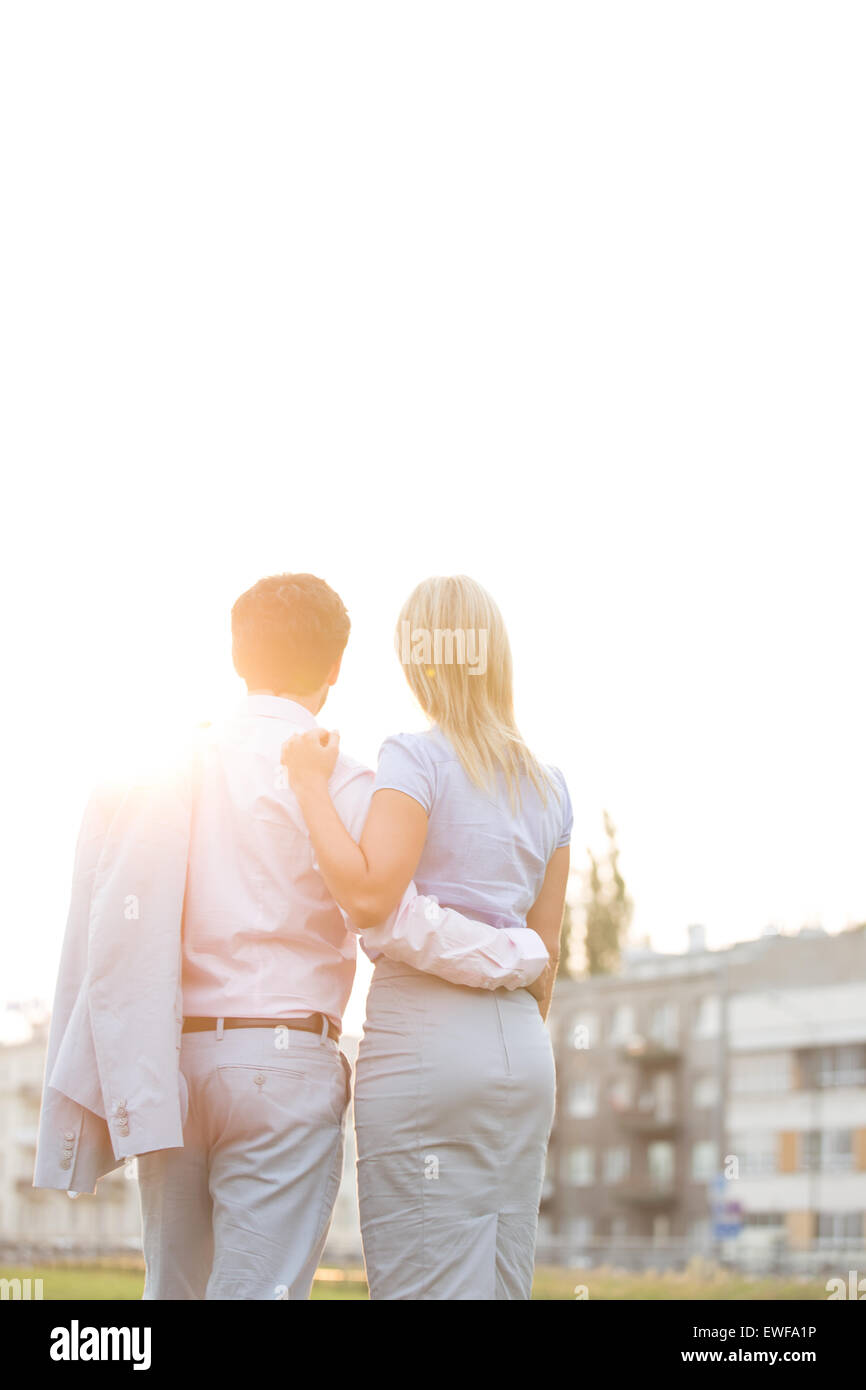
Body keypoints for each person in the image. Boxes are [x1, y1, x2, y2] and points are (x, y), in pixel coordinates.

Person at [35, 572, 550, 1301]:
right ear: (335, 668)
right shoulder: (346, 781)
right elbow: (391, 916)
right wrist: (521, 952)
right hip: (285, 1066)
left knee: (171, 1291)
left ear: (236, 655)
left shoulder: (167, 769)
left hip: (173, 1062)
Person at [282, 574, 572, 1299]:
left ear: (417, 660)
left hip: (426, 1047)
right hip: (521, 1056)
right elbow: (545, 959)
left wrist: (310, 786)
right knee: (502, 1281)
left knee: (422, 1281)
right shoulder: (551, 788)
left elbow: (370, 896)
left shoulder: (414, 759)